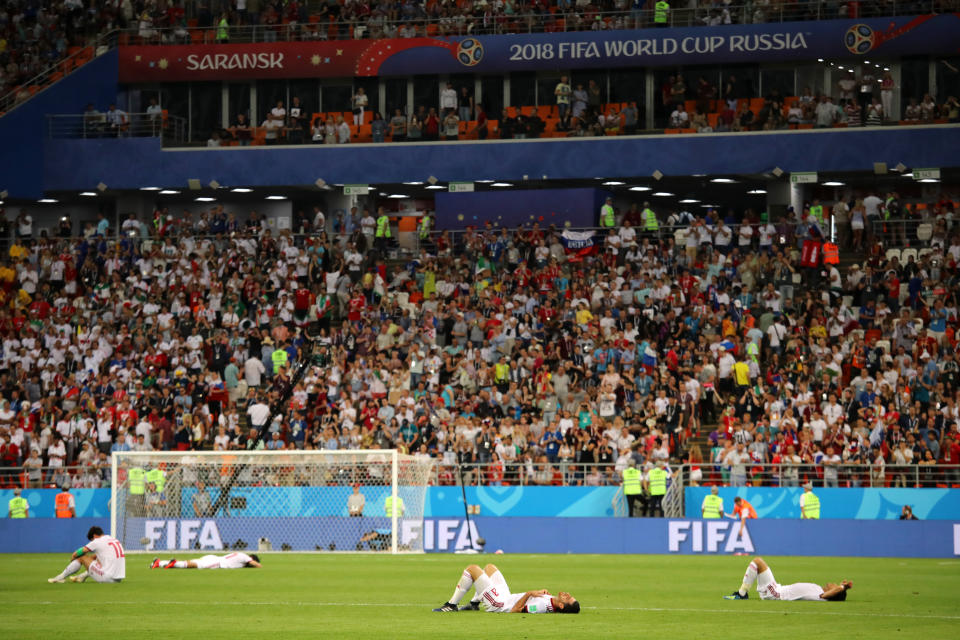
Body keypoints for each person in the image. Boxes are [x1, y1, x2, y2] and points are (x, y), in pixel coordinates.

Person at [433, 563, 580, 613]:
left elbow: (515, 610)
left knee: (472, 569)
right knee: (490, 568)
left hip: (500, 603)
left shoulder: (542, 606)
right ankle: (474, 604)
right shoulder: (551, 600)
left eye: (567, 598)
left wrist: (530, 593)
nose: (567, 594)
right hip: (507, 596)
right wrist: (542, 592)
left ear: (561, 605)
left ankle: (451, 605)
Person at [724, 556, 852, 601]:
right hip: (777, 589)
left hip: (775, 594)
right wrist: (841, 586)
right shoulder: (819, 589)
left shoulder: (821, 595)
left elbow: (831, 594)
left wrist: (842, 588)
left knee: (757, 562)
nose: (833, 583)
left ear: (834, 593)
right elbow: (834, 592)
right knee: (757, 562)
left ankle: (741, 594)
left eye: (835, 585)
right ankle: (742, 593)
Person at [48, 526, 126, 583]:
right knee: (96, 559)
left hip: (107, 578)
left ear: (94, 536)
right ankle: (82, 577)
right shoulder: (113, 539)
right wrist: (88, 561)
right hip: (118, 579)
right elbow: (96, 557)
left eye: (91, 540)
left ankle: (60, 577)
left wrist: (73, 557)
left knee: (81, 557)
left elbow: (78, 552)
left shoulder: (97, 541)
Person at [150, 552, 261, 569]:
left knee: (190, 562)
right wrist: (260, 566)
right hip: (218, 562)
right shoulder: (245, 557)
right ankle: (175, 563)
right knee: (196, 565)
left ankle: (159, 562)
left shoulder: (239, 554)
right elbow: (253, 562)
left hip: (213, 557)